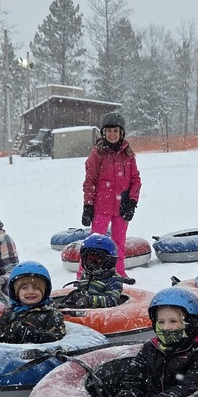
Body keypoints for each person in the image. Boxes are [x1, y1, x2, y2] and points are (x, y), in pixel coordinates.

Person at [108, 288, 198, 397]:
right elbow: (133, 380)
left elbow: (189, 388)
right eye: (161, 322)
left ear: (192, 322)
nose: (166, 327)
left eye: (173, 321)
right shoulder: (151, 348)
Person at [81, 111, 141, 278]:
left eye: (115, 131)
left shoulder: (128, 155)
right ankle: (85, 274)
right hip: (101, 206)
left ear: (121, 133)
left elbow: (135, 180)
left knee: (119, 242)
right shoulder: (97, 154)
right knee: (94, 242)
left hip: (122, 206)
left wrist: (132, 201)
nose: (112, 134)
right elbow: (89, 181)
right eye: (109, 131)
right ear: (103, 133)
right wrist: (88, 205)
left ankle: (118, 272)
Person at [0, 261, 67, 344]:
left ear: (45, 291)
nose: (30, 292)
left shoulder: (51, 314)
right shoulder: (9, 313)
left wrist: (35, 335)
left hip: (39, 353)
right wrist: (5, 336)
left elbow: (58, 337)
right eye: (24, 288)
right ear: (15, 292)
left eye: (36, 287)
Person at [59, 233, 125, 308]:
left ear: (109, 261)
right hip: (84, 311)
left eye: (96, 260)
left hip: (101, 313)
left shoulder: (114, 279)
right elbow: (81, 291)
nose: (90, 264)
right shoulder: (86, 275)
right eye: (88, 259)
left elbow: (112, 300)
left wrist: (90, 301)